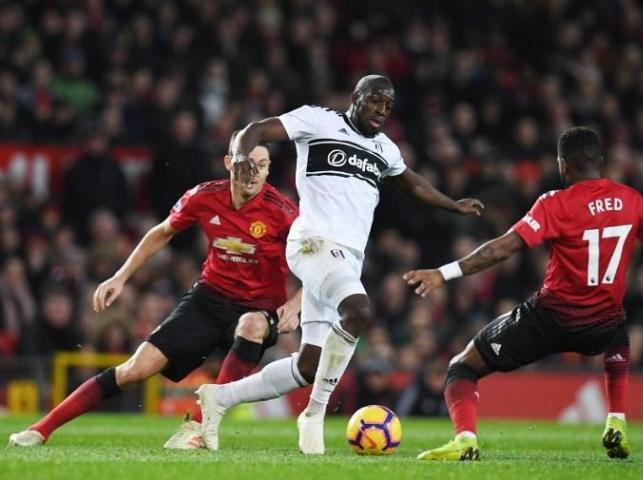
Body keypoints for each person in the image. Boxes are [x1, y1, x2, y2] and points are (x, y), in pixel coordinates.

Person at [195, 74, 484, 454]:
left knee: (309, 366)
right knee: (359, 310)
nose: (381, 109)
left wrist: (453, 204)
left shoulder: (385, 149)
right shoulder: (318, 120)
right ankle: (314, 414)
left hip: (345, 259)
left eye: (388, 104)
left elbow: (412, 184)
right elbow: (255, 129)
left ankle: (218, 398)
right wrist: (244, 157)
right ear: (355, 98)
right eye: (375, 100)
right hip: (313, 243)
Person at [404, 126, 643, 461]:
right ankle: (617, 421)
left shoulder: (555, 203)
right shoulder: (634, 202)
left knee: (462, 366)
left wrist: (443, 272)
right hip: (601, 326)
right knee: (618, 326)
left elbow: (502, 249)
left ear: (563, 165)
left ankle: (465, 440)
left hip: (549, 319)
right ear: (600, 161)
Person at [9, 133, 300, 450]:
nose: (254, 173)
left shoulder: (284, 212)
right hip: (208, 299)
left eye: (262, 165)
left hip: (258, 307)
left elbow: (320, 263)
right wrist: (119, 277)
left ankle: (200, 429)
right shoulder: (203, 197)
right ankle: (41, 429)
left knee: (252, 325)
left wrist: (296, 304)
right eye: (247, 164)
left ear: (269, 169)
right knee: (133, 370)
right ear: (229, 163)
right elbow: (161, 232)